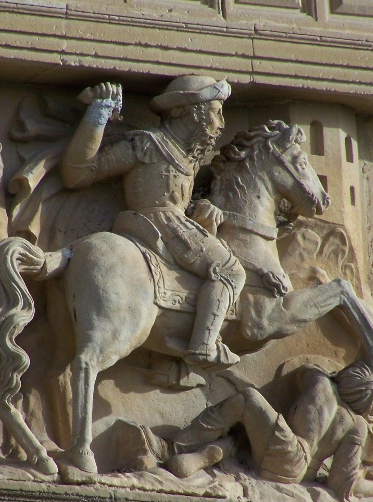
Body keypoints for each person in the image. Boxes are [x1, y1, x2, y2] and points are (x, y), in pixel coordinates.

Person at [60, 76, 246, 369]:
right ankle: (203, 346)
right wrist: (98, 112)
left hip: (178, 223)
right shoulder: (147, 144)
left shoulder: (187, 157)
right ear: (193, 111)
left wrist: (202, 208)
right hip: (159, 224)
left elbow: (179, 201)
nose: (221, 122)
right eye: (216, 111)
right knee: (230, 270)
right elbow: (79, 173)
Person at [153, 362, 373, 502]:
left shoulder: (320, 384)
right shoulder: (357, 425)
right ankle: (224, 449)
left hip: (288, 452)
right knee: (247, 433)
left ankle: (175, 447)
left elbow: (302, 371)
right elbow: (342, 483)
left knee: (248, 399)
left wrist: (334, 375)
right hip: (296, 470)